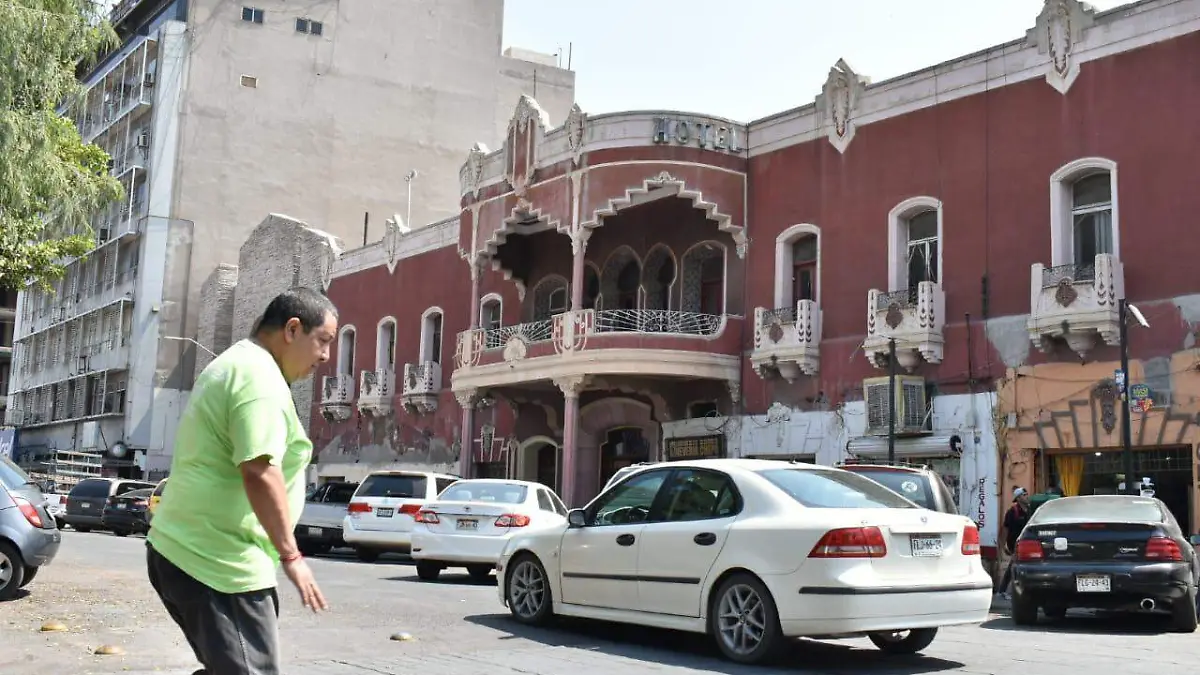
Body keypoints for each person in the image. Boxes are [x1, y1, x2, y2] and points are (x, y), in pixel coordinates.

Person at [146, 287, 338, 674]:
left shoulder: (241, 364)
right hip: (216, 562)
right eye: (323, 341)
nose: (325, 356)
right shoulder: (258, 379)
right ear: (292, 329)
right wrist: (292, 556)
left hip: (196, 551)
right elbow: (259, 471)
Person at [997, 486, 1033, 599]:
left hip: (1027, 543)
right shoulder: (1012, 512)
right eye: (1024, 495)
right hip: (1015, 543)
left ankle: (1022, 590)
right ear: (1018, 498)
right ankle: (1002, 590)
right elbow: (1005, 530)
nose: (1026, 496)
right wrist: (1002, 547)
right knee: (1013, 565)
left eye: (1027, 494)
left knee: (1020, 566)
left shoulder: (1030, 510)